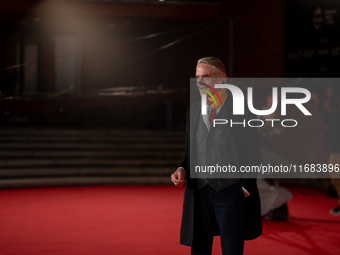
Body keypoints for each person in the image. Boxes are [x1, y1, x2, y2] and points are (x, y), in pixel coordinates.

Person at [171, 57, 262, 255]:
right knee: (199, 249)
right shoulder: (193, 111)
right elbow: (191, 150)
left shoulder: (242, 110)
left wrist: (244, 188)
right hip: (199, 192)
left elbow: (253, 152)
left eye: (205, 76)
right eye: (197, 77)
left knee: (231, 249)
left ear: (221, 79)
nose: (199, 82)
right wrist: (182, 168)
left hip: (230, 192)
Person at [312, 85, 340, 216]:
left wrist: (318, 104)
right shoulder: (333, 114)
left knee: (336, 178)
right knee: (335, 179)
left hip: (337, 150)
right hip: (334, 149)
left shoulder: (334, 115)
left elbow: (329, 118)